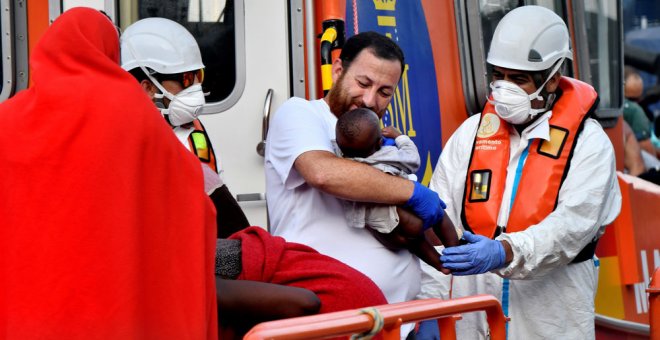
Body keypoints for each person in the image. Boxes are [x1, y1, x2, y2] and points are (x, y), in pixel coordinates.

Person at [0, 8, 217, 338]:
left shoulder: (8, 118)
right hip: (115, 306)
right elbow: (191, 196)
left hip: (27, 312)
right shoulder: (131, 110)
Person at [417, 6, 621, 339]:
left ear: (553, 78)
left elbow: (570, 228)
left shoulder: (589, 145)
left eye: (518, 79)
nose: (504, 89)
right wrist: (429, 310)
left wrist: (505, 251)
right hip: (472, 324)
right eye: (498, 76)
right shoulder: (470, 136)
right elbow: (440, 233)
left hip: (550, 324)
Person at [264, 31, 447, 306]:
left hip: (401, 317)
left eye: (384, 92)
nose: (370, 100)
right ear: (338, 70)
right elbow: (322, 173)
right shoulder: (301, 113)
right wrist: (412, 191)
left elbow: (415, 220)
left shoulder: (381, 138)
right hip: (333, 316)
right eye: (363, 83)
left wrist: (455, 243)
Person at [120, 17, 249, 238]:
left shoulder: (193, 130)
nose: (197, 89)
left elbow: (228, 224)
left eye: (199, 76)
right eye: (188, 80)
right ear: (148, 87)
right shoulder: (124, 143)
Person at [334, 107, 460, 273]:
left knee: (414, 242)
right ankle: (455, 252)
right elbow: (413, 160)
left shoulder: (341, 164)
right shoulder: (388, 154)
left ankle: (439, 264)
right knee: (438, 213)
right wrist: (399, 137)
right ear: (379, 142)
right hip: (403, 217)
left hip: (381, 229)